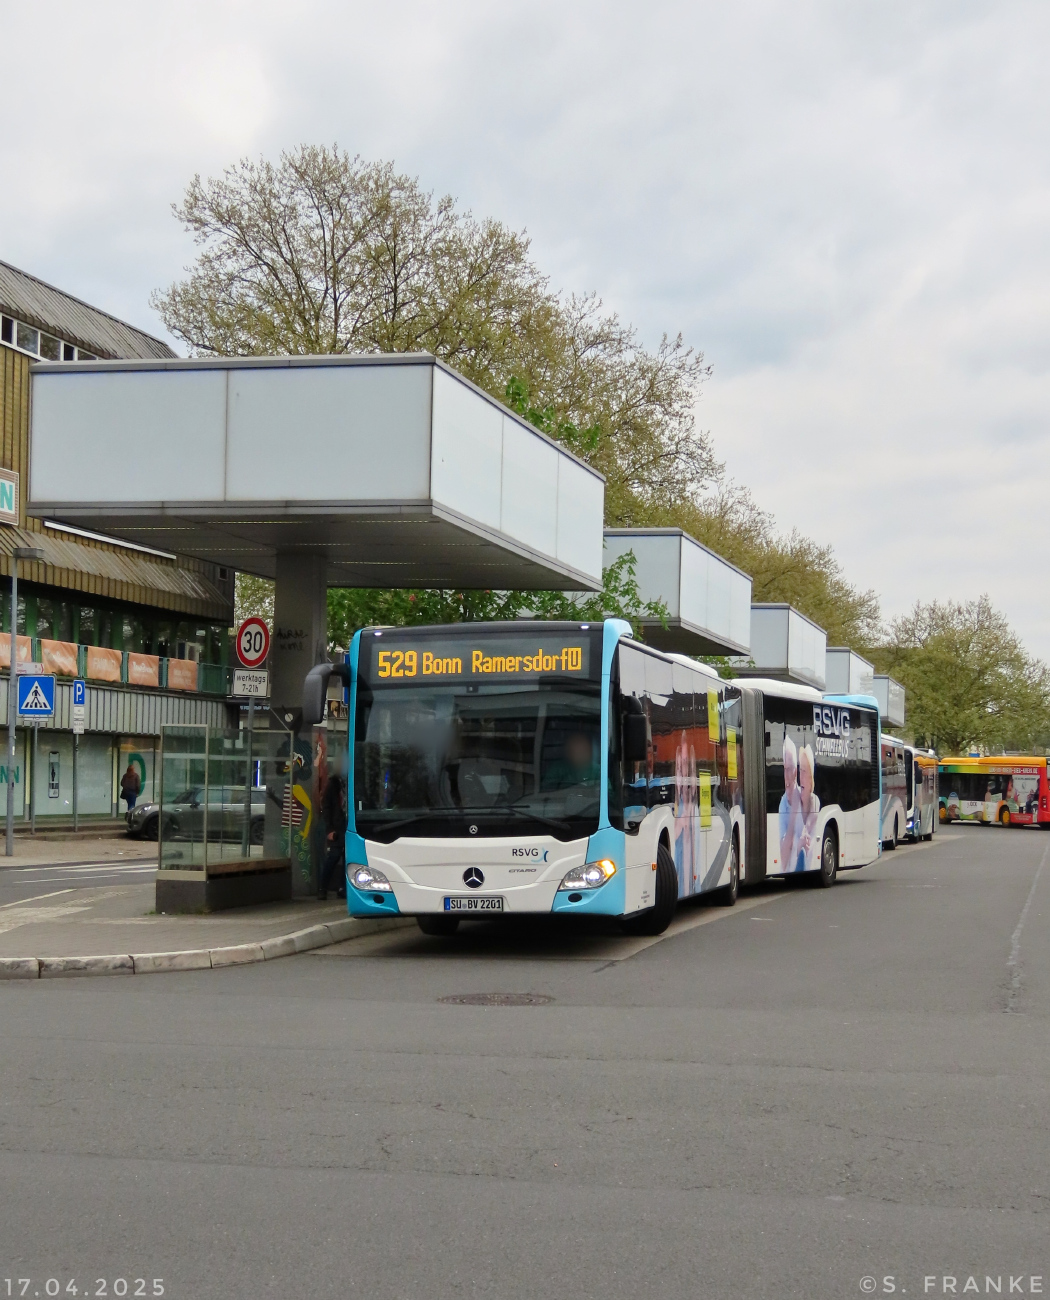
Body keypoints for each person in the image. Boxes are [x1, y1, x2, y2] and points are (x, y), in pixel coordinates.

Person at [319, 772, 348, 900]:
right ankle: (322, 888)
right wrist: (330, 829)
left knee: (348, 858)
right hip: (337, 828)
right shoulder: (333, 784)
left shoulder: (352, 781)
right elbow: (326, 807)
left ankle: (343, 888)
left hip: (349, 826)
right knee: (333, 857)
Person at [778, 736, 801, 870]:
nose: (786, 774)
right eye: (784, 769)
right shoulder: (783, 803)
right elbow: (783, 859)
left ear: (795, 772)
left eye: (790, 768)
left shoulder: (806, 798)